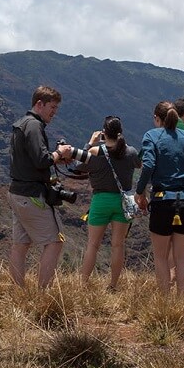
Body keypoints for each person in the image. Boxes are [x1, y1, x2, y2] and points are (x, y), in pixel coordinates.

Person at [7, 85, 77, 288]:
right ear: (40, 104)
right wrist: (60, 153)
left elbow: (33, 159)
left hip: (16, 193)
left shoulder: (22, 123)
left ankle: (18, 293)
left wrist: (55, 159)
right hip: (32, 196)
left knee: (20, 245)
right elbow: (41, 160)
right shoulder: (34, 126)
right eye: (52, 107)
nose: (54, 112)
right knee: (55, 242)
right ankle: (42, 295)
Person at [135, 101, 184, 294]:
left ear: (157, 118)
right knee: (182, 257)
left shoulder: (151, 135)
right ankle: (181, 302)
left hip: (161, 201)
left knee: (160, 257)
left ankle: (165, 302)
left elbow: (148, 165)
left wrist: (139, 191)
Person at [74, 116, 142, 290]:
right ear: (120, 133)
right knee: (118, 245)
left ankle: (83, 284)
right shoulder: (131, 152)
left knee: (93, 245)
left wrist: (90, 143)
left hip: (100, 201)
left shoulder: (97, 151)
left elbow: (78, 165)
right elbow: (139, 165)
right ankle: (113, 285)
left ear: (103, 133)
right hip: (123, 202)